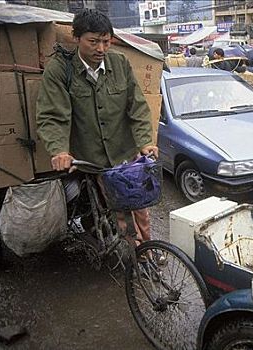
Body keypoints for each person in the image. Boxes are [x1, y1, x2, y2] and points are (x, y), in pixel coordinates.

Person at [36, 9, 157, 242]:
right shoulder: (60, 70)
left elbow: (138, 107)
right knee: (120, 213)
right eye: (93, 42)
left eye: (105, 41)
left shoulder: (119, 63)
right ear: (76, 38)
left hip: (126, 153)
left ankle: (147, 251)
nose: (100, 49)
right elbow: (53, 116)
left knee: (141, 206)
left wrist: (145, 142)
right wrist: (59, 150)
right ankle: (134, 255)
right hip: (93, 158)